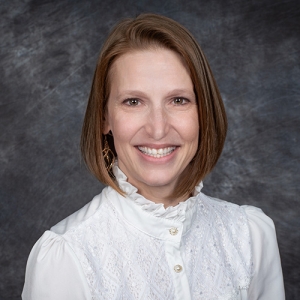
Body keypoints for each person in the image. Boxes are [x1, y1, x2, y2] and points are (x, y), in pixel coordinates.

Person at [22, 13, 285, 300]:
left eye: (179, 100)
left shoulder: (252, 237)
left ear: (203, 113)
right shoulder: (65, 258)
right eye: (133, 102)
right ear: (104, 118)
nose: (158, 129)